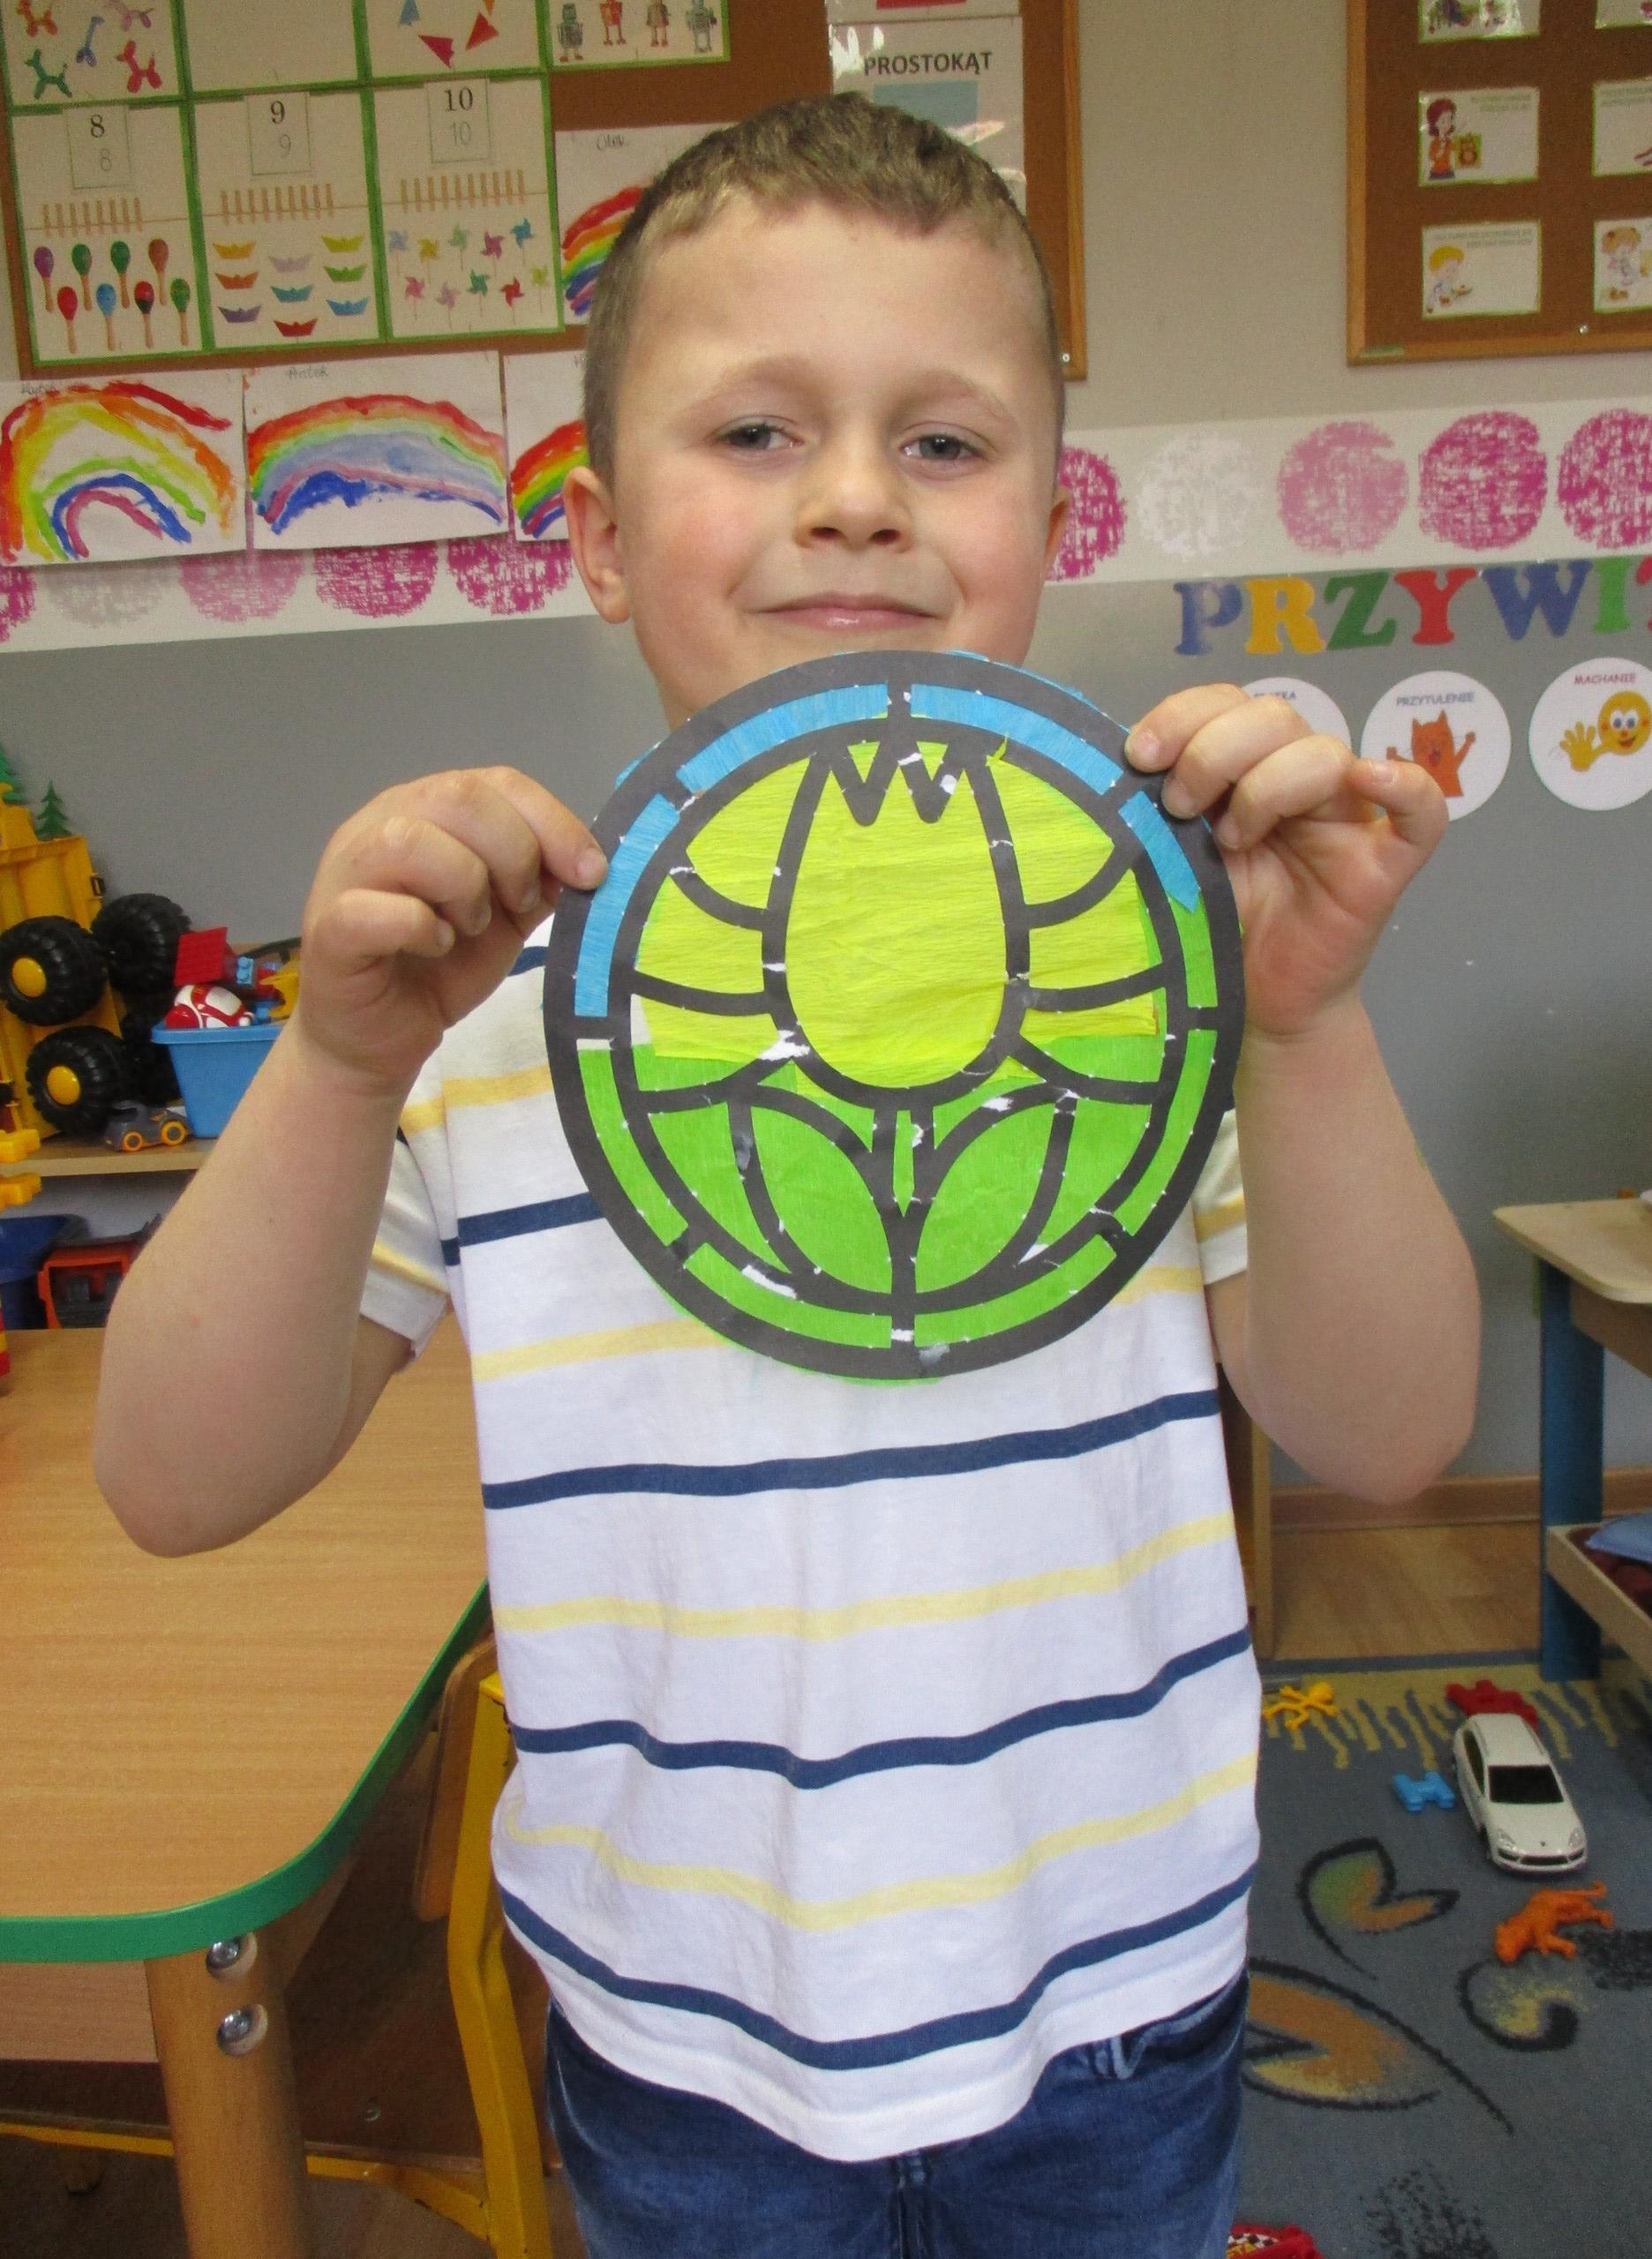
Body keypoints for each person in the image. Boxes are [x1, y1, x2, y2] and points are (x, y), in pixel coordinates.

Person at [96, 95, 1478, 2259]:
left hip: (1114, 2002)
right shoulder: (481, 1008)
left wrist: (1304, 1030)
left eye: (946, 440)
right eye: (755, 430)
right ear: (598, 537)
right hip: (679, 2033)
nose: (854, 497)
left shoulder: (1164, 977)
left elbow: (1391, 1434)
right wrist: (336, 1065)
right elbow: (176, 1479)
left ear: (1049, 519)